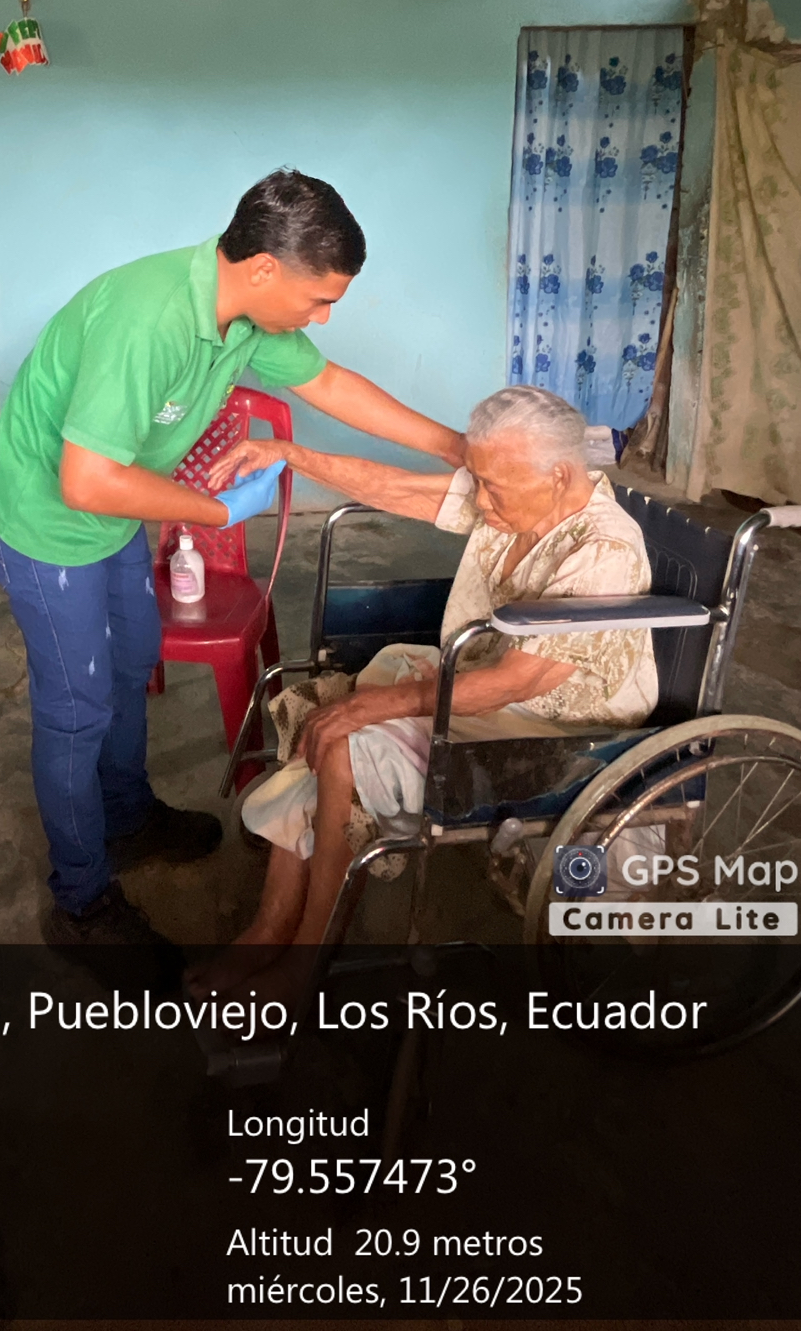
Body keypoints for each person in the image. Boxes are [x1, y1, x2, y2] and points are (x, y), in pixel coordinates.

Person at [0, 170, 464, 957]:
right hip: (45, 524)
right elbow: (86, 480)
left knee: (132, 659)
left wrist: (454, 444)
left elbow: (330, 382)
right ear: (265, 268)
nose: (324, 317)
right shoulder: (149, 318)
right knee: (77, 708)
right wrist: (217, 511)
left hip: (112, 520)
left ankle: (126, 815)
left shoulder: (242, 313)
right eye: (319, 299)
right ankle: (81, 901)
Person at [200, 384, 656, 976]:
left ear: (560, 475)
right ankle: (270, 927)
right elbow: (397, 487)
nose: (481, 500)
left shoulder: (604, 553)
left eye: (492, 486)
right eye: (477, 480)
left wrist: (373, 709)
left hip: (560, 726)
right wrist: (289, 454)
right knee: (331, 712)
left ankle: (304, 965)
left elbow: (515, 684)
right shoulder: (519, 494)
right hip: (486, 681)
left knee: (344, 739)